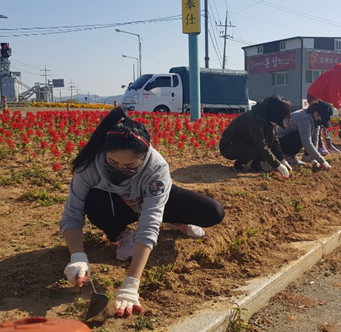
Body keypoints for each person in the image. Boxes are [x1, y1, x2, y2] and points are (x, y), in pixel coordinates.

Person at [60, 107, 225, 317]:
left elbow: (149, 222)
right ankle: (123, 235)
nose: (120, 169)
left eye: (130, 165)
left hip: (152, 199)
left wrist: (131, 284)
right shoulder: (90, 166)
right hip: (116, 204)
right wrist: (77, 256)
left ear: (144, 156)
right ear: (104, 152)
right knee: (94, 200)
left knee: (213, 212)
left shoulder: (156, 168)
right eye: (112, 162)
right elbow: (72, 214)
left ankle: (175, 220)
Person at [219, 95, 292, 179]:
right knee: (253, 150)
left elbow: (274, 141)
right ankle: (239, 164)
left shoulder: (268, 118)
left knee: (271, 137)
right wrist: (278, 165)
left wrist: (282, 160)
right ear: (275, 112)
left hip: (244, 142)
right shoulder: (254, 119)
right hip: (229, 146)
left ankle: (255, 164)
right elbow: (261, 145)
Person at [277, 101, 333, 170]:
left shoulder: (315, 120)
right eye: (322, 119)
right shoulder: (305, 119)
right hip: (279, 143)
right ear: (316, 114)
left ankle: (292, 156)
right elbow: (307, 143)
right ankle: (288, 156)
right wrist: (323, 161)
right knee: (301, 136)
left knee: (305, 135)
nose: (321, 123)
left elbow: (315, 139)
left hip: (287, 139)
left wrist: (314, 159)